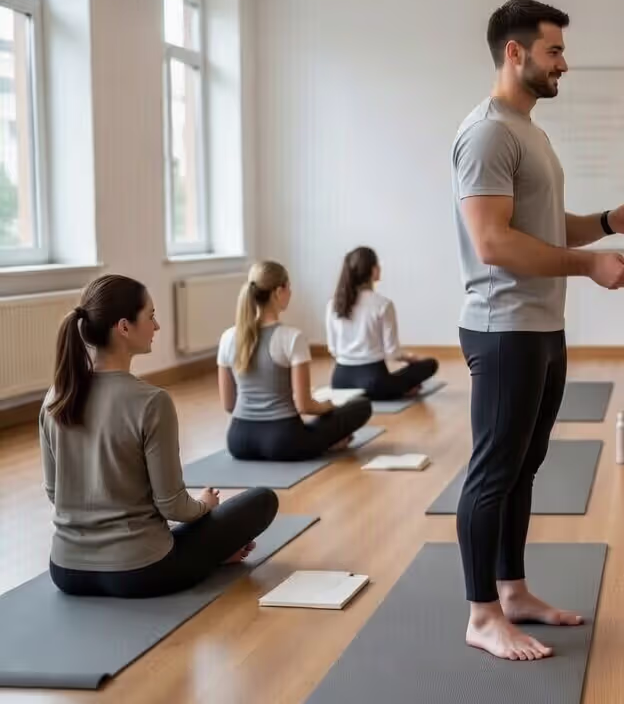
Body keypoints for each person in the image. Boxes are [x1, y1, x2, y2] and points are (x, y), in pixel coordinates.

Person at [452, 0, 624, 661]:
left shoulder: (527, 130)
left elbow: (538, 227)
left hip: (540, 324)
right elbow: (494, 244)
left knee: (524, 466)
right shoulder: (487, 133)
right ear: (516, 53)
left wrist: (605, 222)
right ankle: (481, 615)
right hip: (502, 326)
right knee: (492, 472)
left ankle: (511, 591)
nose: (564, 62)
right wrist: (588, 265)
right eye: (554, 50)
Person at [41, 275, 278, 598]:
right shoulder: (152, 401)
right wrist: (205, 506)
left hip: (66, 570)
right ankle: (214, 556)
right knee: (262, 499)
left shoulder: (56, 396)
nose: (157, 326)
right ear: (123, 327)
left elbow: (55, 492)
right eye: (150, 316)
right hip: (141, 571)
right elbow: (173, 507)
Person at [219, 261, 373, 462]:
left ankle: (326, 441)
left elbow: (229, 404)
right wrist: (328, 406)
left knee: (316, 428)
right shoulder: (291, 337)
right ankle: (330, 442)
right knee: (361, 405)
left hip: (239, 441)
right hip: (284, 442)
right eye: (289, 288)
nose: (290, 293)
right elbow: (304, 406)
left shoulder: (228, 337)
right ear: (278, 291)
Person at [326, 246, 440, 400]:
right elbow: (393, 353)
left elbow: (333, 349)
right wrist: (411, 358)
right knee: (430, 364)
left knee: (394, 378)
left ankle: (397, 388)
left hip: (340, 381)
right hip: (374, 384)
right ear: (373, 270)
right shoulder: (383, 304)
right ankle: (400, 389)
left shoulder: (333, 304)